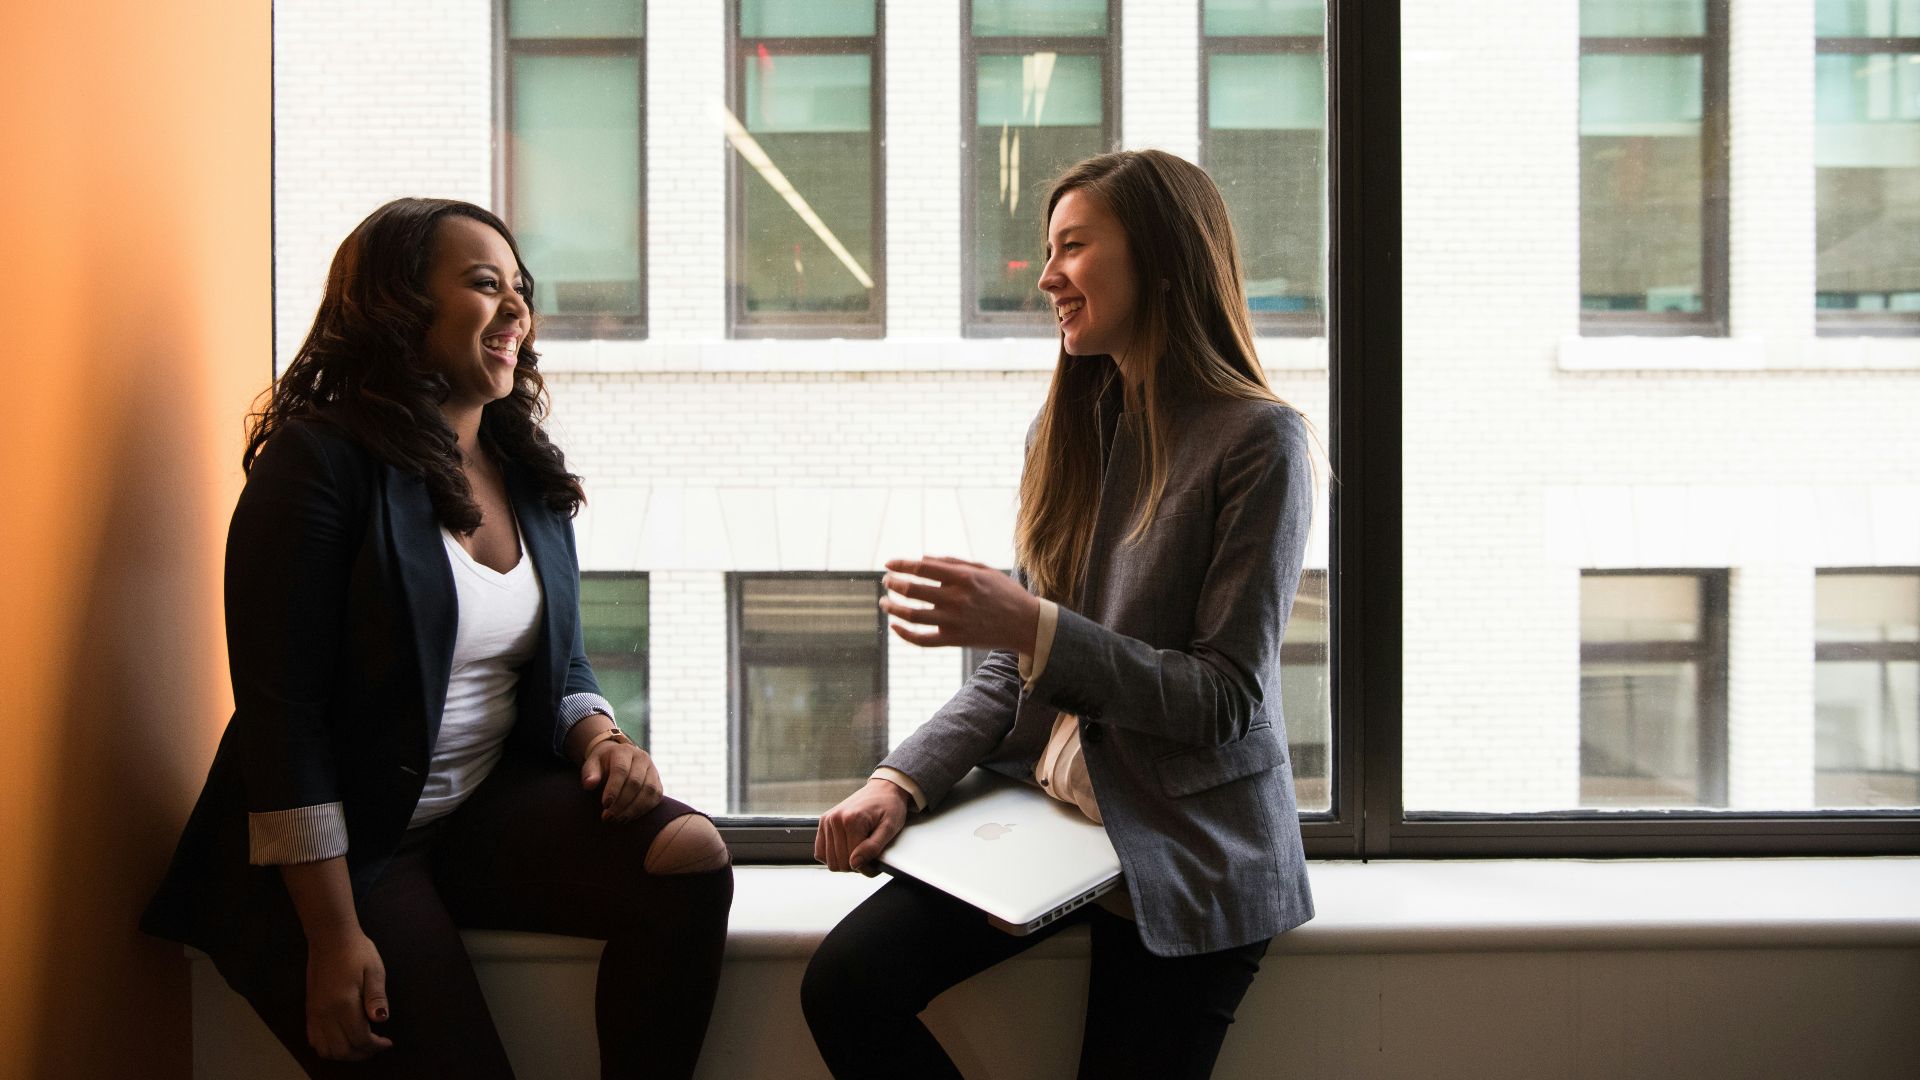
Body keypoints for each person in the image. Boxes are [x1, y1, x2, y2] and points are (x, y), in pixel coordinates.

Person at [141, 198, 733, 1079]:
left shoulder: (522, 467)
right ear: (397, 305)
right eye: (485, 284)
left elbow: (556, 659)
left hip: (466, 813)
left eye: (522, 291)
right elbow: (283, 717)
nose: (516, 310)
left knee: (690, 858)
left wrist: (600, 735)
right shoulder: (317, 464)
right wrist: (333, 938)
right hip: (338, 857)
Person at [802, 150, 1316, 1080]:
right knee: (844, 985)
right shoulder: (1068, 430)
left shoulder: (1259, 440)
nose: (1046, 277)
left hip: (1188, 845)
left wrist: (1031, 628)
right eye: (1048, 251)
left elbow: (1225, 698)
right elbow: (1014, 669)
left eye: (1073, 247)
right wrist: (899, 782)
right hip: (1056, 820)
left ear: (1161, 259)